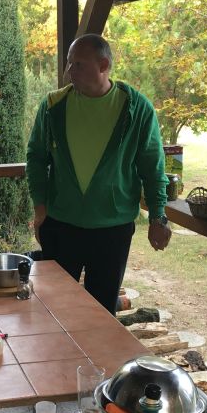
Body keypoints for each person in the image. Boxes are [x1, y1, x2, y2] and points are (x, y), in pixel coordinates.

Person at [26, 34, 171, 314]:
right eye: (69, 64)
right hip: (61, 225)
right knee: (53, 309)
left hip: (113, 230)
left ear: (103, 65)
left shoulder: (137, 108)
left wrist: (158, 216)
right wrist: (40, 207)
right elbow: (36, 157)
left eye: (78, 64)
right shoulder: (53, 106)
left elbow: (153, 167)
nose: (69, 71)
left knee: (101, 313)